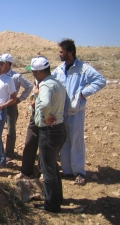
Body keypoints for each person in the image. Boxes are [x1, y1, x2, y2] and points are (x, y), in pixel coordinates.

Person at [52, 39, 106, 185]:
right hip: (61, 112)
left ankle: (79, 172)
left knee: (76, 141)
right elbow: (51, 82)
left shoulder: (84, 69)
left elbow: (100, 81)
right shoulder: (59, 70)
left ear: (70, 52)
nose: (59, 54)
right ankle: (67, 170)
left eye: (61, 51)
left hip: (76, 112)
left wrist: (83, 93)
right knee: (64, 142)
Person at [30, 56, 67, 213]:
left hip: (49, 131)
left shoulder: (45, 85)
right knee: (52, 166)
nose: (32, 74)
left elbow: (45, 104)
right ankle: (57, 198)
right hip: (60, 129)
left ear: (38, 73)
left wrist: (45, 116)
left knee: (47, 169)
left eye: (32, 72)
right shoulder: (56, 82)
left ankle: (51, 206)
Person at [2, 53, 33, 161]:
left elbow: (29, 86)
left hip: (10, 107)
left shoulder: (16, 76)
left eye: (2, 62)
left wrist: (19, 99)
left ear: (7, 64)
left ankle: (9, 153)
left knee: (11, 129)